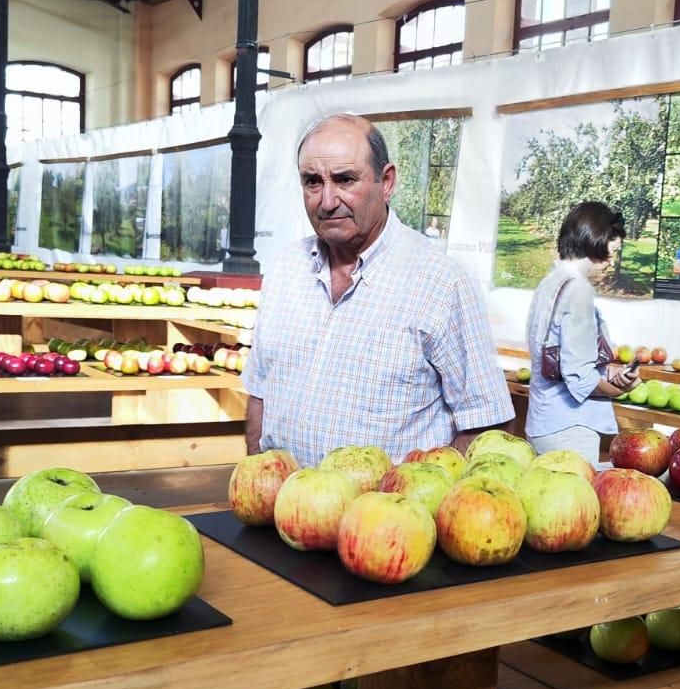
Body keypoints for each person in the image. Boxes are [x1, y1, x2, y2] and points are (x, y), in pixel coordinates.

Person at [244, 113, 512, 467]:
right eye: (312, 182)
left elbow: (486, 423)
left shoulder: (441, 284)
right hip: (278, 509)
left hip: (389, 518)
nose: (327, 200)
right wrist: (257, 478)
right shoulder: (286, 269)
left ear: (386, 182)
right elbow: (260, 391)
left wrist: (425, 496)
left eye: (345, 180)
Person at [524, 203, 639, 461]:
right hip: (570, 428)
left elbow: (561, 354)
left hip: (544, 420)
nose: (613, 260)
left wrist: (611, 372)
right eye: (614, 249)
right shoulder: (579, 289)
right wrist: (619, 390)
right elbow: (579, 376)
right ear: (597, 240)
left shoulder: (551, 282)